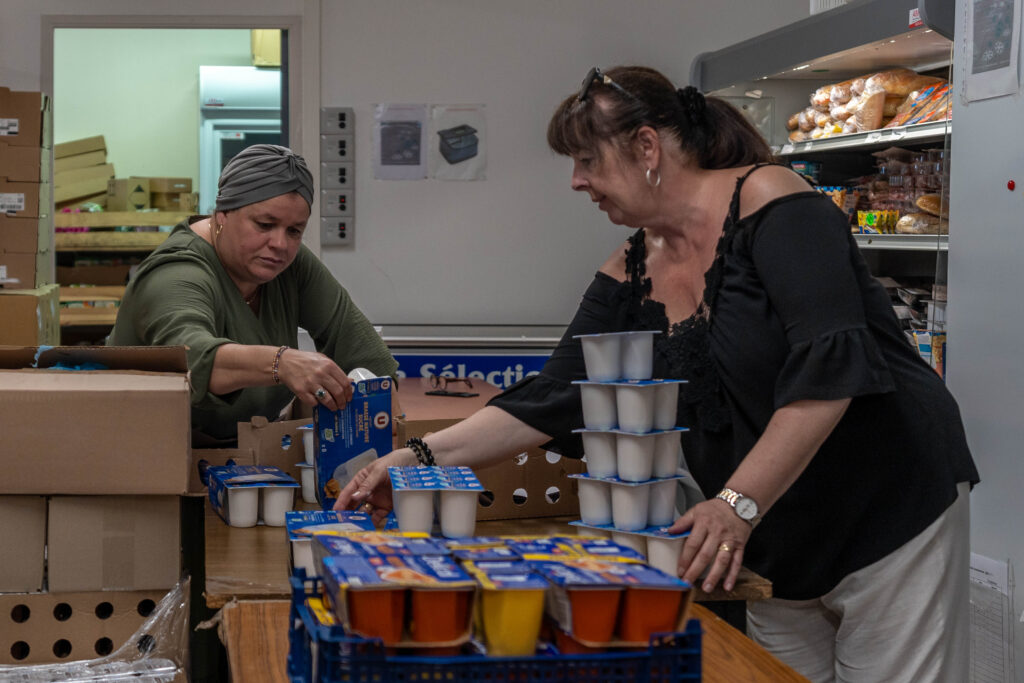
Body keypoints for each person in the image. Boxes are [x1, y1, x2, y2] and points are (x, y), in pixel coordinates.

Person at [335, 66, 978, 682]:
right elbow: (556, 394)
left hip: (885, 504)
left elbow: (830, 370)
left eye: (588, 160)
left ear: (646, 146)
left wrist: (734, 504)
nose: (576, 183)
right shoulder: (635, 260)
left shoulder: (777, 205)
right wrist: (416, 455)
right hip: (769, 529)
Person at [110, 144, 397, 445]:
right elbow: (190, 360)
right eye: (264, 224)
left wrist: (393, 428)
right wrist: (282, 363)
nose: (280, 243)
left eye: (294, 231)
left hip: (243, 460)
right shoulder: (177, 273)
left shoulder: (289, 266)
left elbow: (357, 344)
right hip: (149, 459)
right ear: (222, 214)